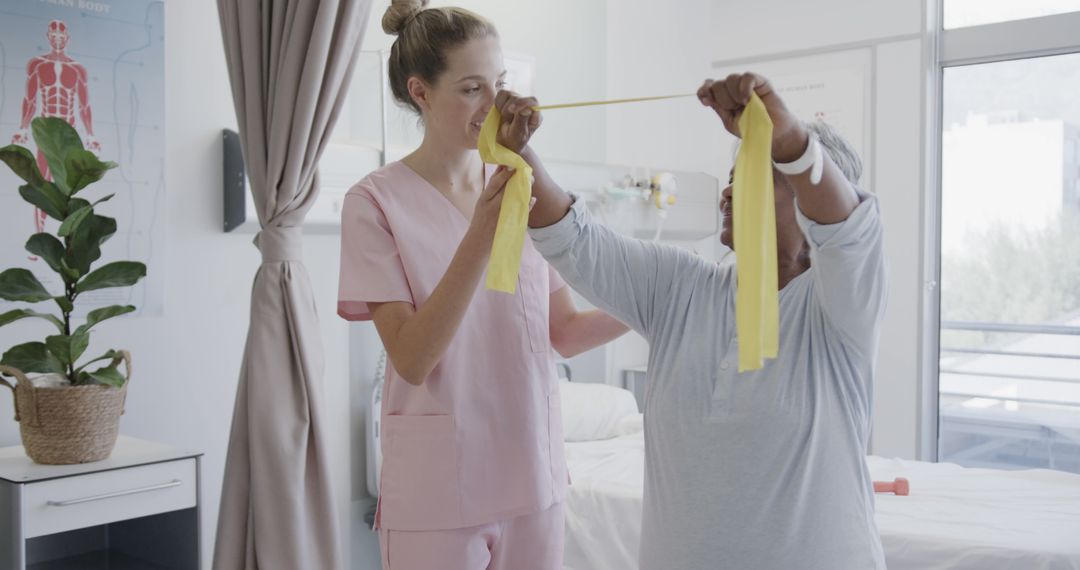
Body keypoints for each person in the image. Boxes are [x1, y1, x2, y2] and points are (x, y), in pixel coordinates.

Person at [517, 73, 888, 569]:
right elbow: (572, 238)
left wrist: (788, 140)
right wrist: (520, 150)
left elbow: (846, 230)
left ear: (806, 202)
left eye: (757, 173)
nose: (730, 191)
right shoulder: (681, 288)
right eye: (735, 174)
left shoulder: (839, 308)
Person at [336, 2, 628, 569]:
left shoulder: (520, 183)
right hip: (439, 490)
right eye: (472, 88)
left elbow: (562, 332)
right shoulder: (374, 204)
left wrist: (657, 304)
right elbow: (413, 357)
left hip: (533, 475)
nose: (493, 105)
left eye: (498, 83)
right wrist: (484, 229)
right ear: (420, 92)